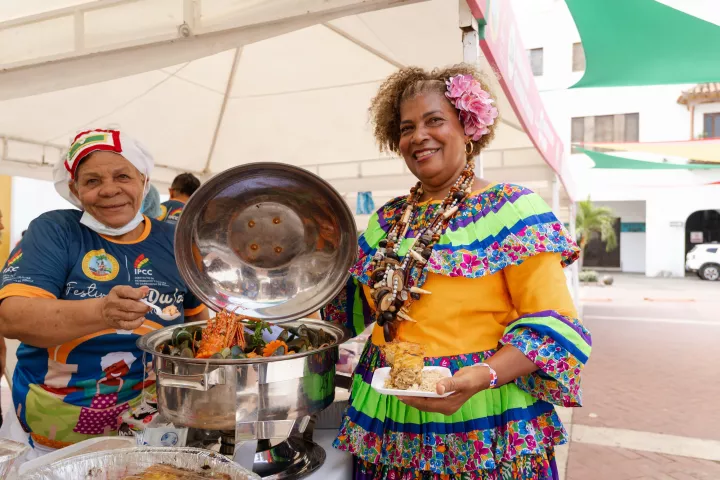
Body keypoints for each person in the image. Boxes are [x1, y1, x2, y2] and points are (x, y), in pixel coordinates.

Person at [323, 65, 591, 479]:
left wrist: (484, 375)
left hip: (482, 411)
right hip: (389, 414)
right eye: (407, 127)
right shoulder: (386, 221)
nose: (419, 136)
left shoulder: (512, 209)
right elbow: (347, 311)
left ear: (468, 128)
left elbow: (555, 324)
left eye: (434, 120)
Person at [0, 128, 209, 450]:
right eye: (92, 180)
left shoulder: (175, 241)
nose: (109, 190)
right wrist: (101, 312)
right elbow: (13, 318)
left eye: (122, 176)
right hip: (55, 432)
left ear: (144, 180)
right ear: (75, 189)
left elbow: (196, 328)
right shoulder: (56, 231)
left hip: (151, 428)